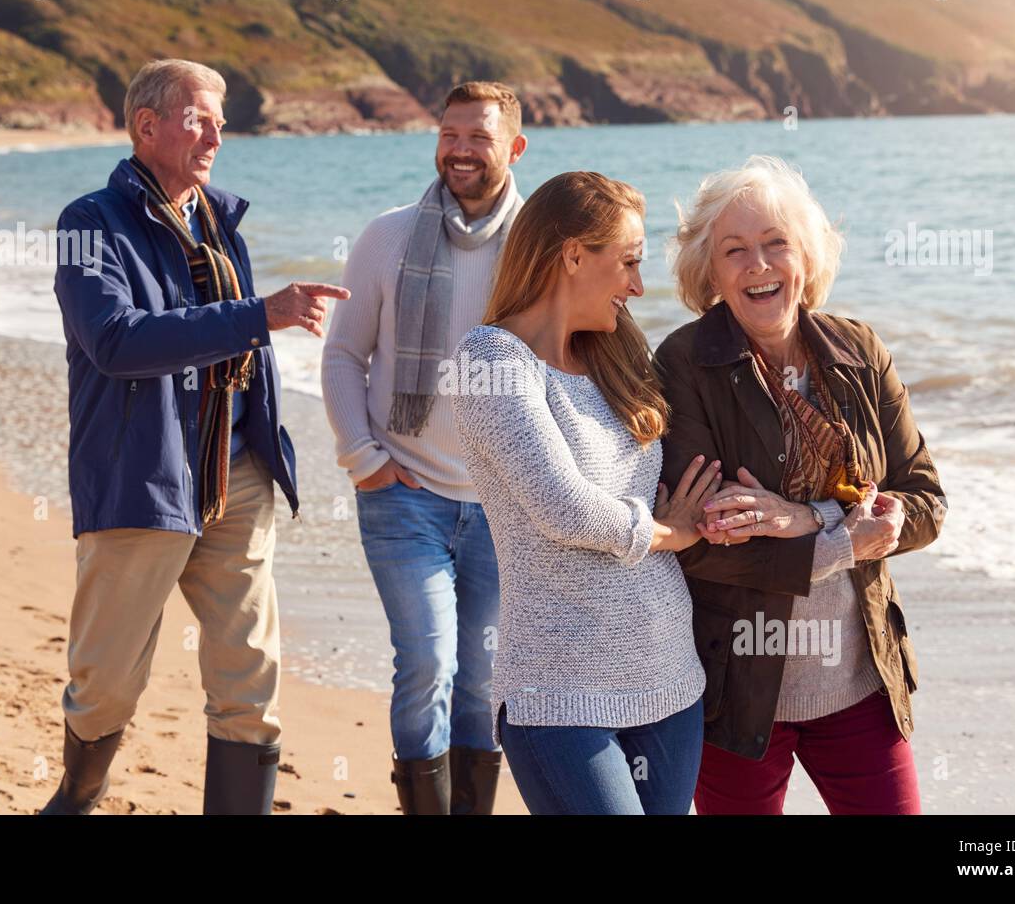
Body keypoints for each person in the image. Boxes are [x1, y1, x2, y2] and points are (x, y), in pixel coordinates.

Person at [45, 58, 348, 815]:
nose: (218, 132)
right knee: (106, 682)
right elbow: (115, 341)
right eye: (199, 118)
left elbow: (237, 351)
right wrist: (260, 315)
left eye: (220, 119)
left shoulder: (218, 216)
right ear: (147, 126)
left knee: (251, 676)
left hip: (237, 475)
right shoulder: (88, 223)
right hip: (142, 475)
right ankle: (77, 799)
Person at [655, 154, 947, 814]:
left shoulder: (859, 352)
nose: (758, 265)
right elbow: (700, 542)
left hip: (859, 683)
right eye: (735, 250)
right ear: (711, 272)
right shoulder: (683, 364)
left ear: (806, 257)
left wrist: (807, 517)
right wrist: (846, 538)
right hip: (737, 693)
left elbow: (927, 499)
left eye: (775, 243)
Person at [451, 171, 717, 815]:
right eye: (627, 262)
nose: (637, 285)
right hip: (559, 691)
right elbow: (563, 508)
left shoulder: (616, 355)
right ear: (572, 254)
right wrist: (670, 533)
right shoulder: (490, 361)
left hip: (669, 678)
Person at [321, 81, 527, 814]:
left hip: (505, 508)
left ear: (515, 148)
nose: (461, 150)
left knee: (483, 677)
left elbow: (577, 362)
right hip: (405, 499)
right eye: (450, 134)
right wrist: (364, 459)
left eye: (478, 136)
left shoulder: (540, 245)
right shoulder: (387, 237)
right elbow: (344, 354)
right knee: (429, 662)